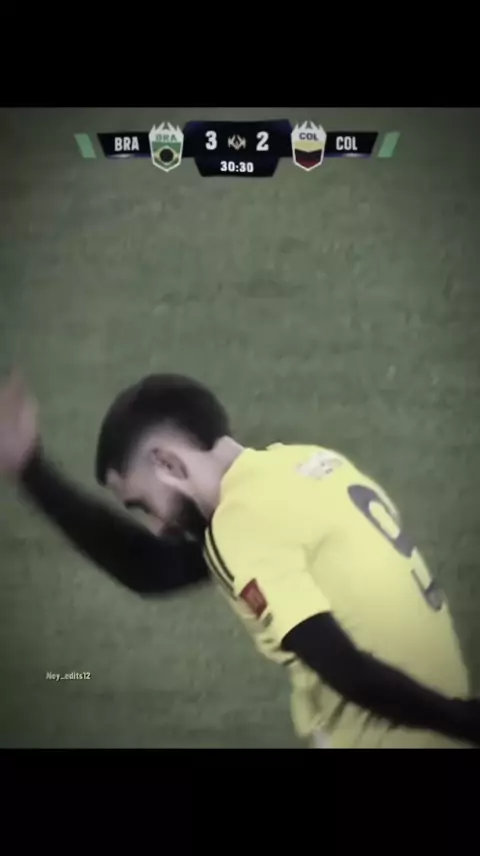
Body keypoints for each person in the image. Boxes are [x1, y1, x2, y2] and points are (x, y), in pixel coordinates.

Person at [1, 370, 479, 749]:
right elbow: (153, 567)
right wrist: (31, 471)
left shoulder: (239, 524)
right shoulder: (306, 465)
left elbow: (345, 669)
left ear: (169, 464)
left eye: (143, 505)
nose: (157, 527)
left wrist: (467, 721)